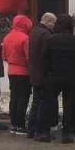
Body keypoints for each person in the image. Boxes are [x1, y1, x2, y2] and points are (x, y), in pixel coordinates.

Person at [41, 15, 75, 143]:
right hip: (71, 77)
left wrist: (47, 73)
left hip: (53, 76)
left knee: (49, 103)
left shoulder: (51, 40)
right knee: (69, 105)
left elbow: (44, 58)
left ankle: (45, 131)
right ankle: (66, 133)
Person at [26, 13, 56, 141]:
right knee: (43, 104)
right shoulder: (46, 35)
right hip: (44, 75)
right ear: (48, 21)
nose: (54, 26)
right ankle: (41, 131)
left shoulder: (34, 32)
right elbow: (47, 55)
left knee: (36, 102)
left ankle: (31, 130)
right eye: (53, 23)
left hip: (35, 73)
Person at [2, 15, 33, 135]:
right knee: (23, 98)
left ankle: (14, 124)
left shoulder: (7, 37)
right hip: (24, 72)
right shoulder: (25, 38)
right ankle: (20, 125)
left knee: (14, 97)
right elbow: (28, 57)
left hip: (11, 71)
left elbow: (4, 56)